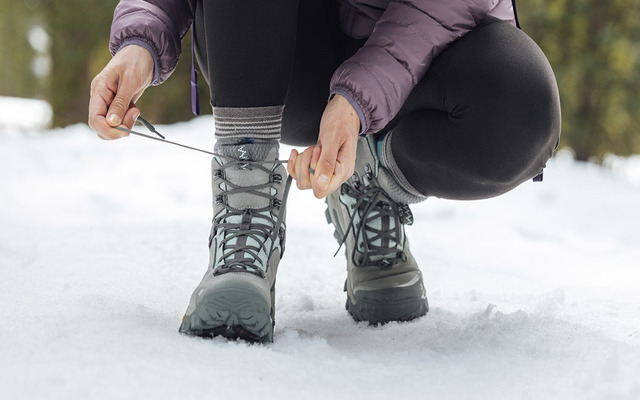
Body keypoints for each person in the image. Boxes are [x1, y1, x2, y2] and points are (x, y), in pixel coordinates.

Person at [88, 0, 561, 343]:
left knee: (521, 108)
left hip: (426, 58)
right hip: (278, 50)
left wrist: (357, 102)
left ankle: (372, 178)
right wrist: (142, 41)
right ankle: (246, 196)